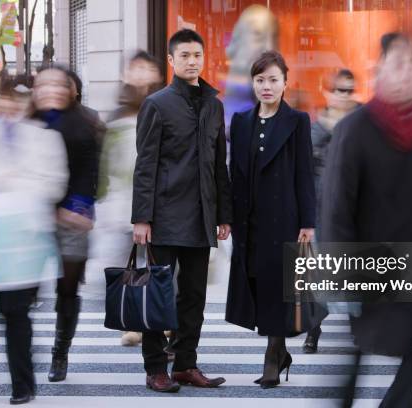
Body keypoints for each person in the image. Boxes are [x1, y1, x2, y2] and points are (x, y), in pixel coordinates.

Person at [319, 33, 412, 407]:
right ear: (380, 70)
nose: (406, 74)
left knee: (406, 358)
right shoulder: (356, 129)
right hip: (368, 267)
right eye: (397, 64)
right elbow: (336, 208)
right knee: (360, 357)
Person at [131, 29, 232, 392]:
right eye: (185, 55)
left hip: (201, 217)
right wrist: (141, 217)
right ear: (172, 61)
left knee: (194, 297)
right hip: (163, 217)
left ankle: (186, 364)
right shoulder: (157, 104)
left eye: (197, 55)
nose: (192, 61)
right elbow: (145, 164)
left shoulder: (214, 105)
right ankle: (156, 367)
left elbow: (219, 164)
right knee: (158, 294)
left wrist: (224, 214)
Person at [0, 83, 68, 404]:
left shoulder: (46, 138)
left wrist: (12, 181)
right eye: (4, 101)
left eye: (18, 101)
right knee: (4, 310)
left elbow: (54, 184)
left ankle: (22, 384)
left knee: (16, 310)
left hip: (29, 238)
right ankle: (23, 364)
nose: (10, 108)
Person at [225, 50, 322, 388]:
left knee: (277, 287)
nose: (266, 86)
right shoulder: (240, 123)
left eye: (273, 80)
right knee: (255, 281)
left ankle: (272, 356)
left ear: (285, 83)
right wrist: (227, 218)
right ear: (253, 83)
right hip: (248, 219)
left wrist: (308, 222)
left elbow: (304, 175)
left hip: (285, 217)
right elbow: (234, 175)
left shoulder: (297, 121)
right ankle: (280, 354)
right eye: (260, 80)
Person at [30, 66, 101, 383]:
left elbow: (90, 174)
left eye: (60, 85)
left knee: (67, 288)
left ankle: (61, 353)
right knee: (23, 291)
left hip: (73, 215)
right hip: (30, 216)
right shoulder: (26, 120)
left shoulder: (85, 123)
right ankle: (23, 350)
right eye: (44, 84)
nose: (52, 90)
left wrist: (78, 209)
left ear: (73, 90)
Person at [94, 50, 163, 347]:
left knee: (159, 265)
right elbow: (106, 162)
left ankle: (161, 321)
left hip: (160, 201)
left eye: (146, 68)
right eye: (135, 68)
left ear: (157, 74)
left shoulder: (166, 106)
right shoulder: (119, 113)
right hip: (125, 204)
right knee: (130, 266)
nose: (140, 73)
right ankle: (135, 323)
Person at [303, 68, 360, 354]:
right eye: (340, 89)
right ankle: (313, 331)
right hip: (321, 212)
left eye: (350, 90)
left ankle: (358, 330)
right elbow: (305, 168)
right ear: (328, 92)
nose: (345, 96)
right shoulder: (317, 126)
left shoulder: (362, 123)